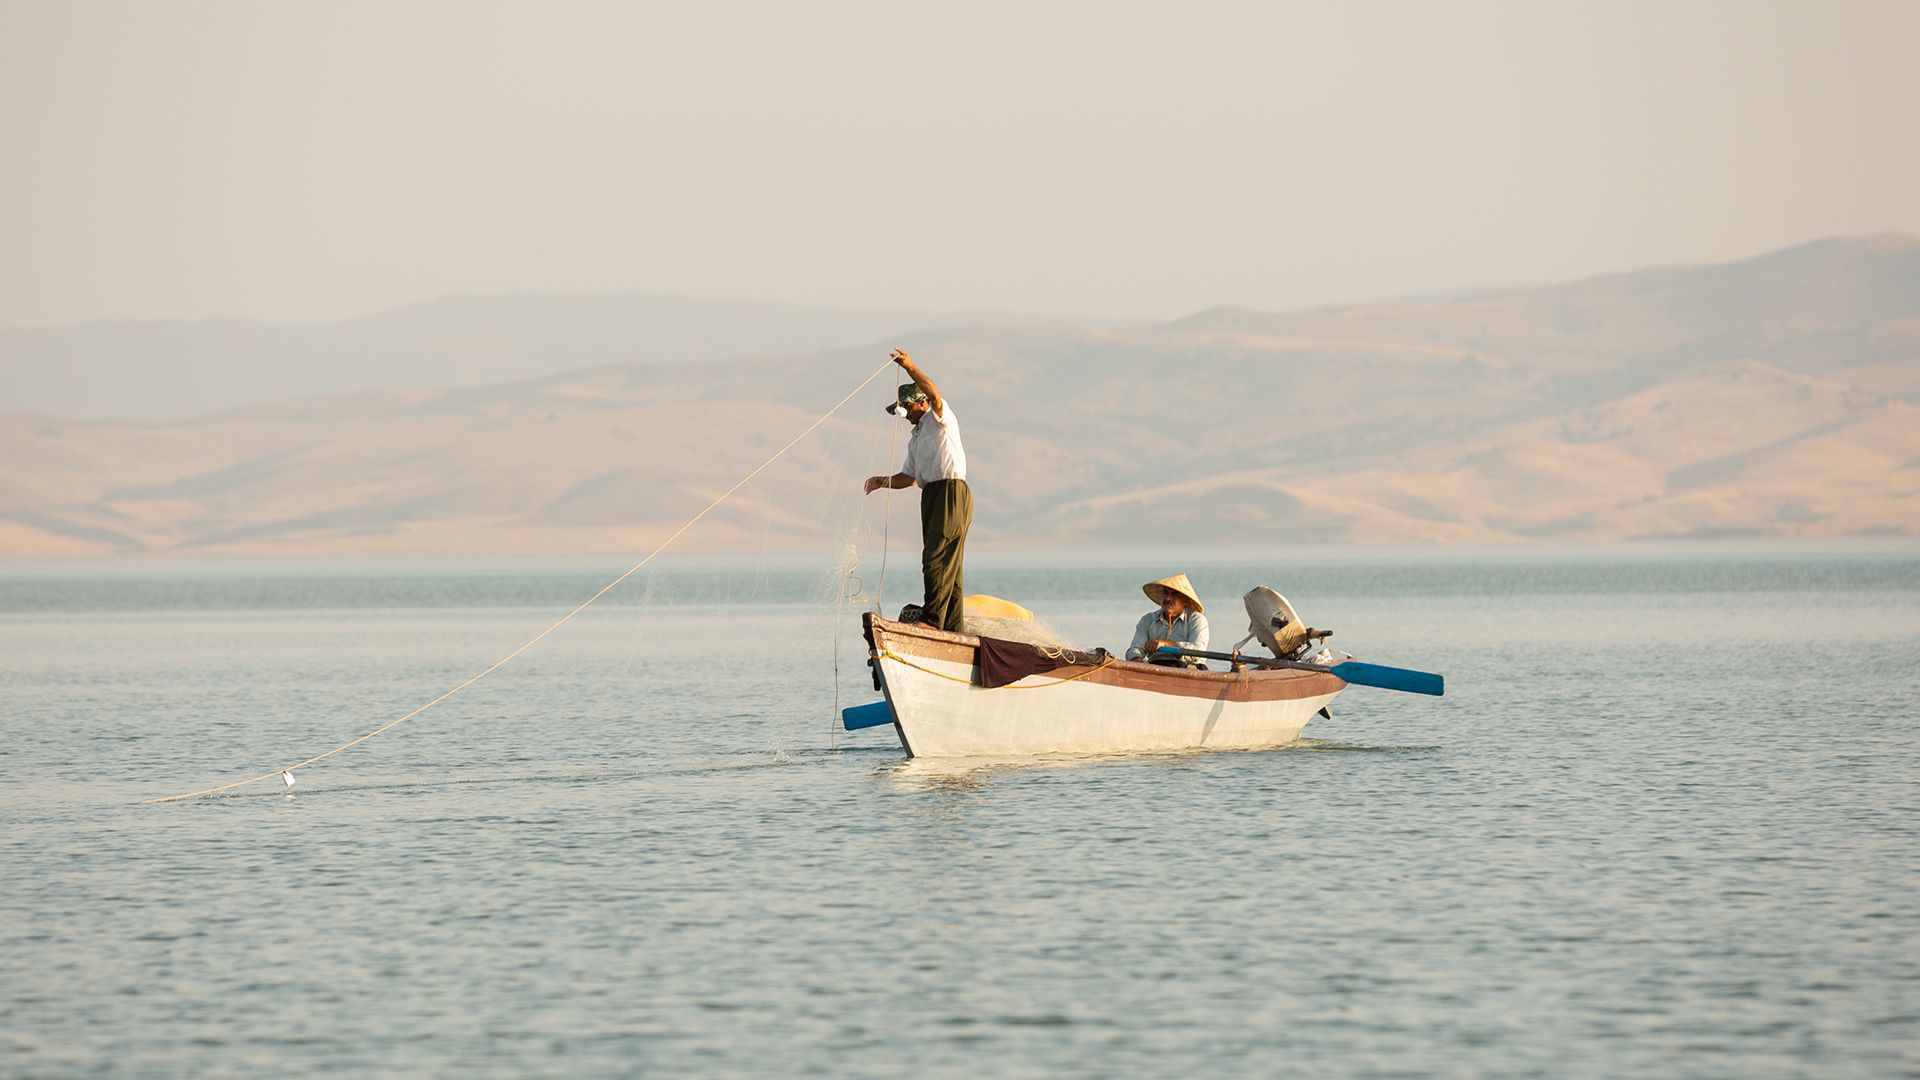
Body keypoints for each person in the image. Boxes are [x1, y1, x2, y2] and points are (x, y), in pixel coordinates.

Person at [862, 349, 972, 633]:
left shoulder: (939, 418)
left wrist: (910, 366)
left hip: (950, 492)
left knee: (935, 556)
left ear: (919, 403)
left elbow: (933, 392)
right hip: (931, 495)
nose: (906, 416)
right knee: (949, 565)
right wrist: (881, 481)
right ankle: (952, 627)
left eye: (907, 408)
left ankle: (933, 621)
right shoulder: (916, 438)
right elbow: (907, 478)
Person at [1127, 573, 1210, 668]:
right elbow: (1135, 649)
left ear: (1186, 600)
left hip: (1189, 669)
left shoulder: (1197, 620)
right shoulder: (1148, 620)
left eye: (1174, 594)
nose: (1167, 598)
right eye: (1165, 593)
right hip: (1155, 667)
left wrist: (1166, 644)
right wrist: (1137, 659)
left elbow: (1198, 651)